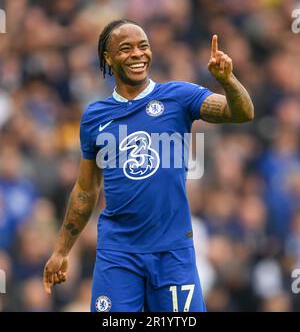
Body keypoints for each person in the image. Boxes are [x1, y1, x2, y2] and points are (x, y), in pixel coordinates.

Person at [43, 19, 254, 312]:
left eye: (143, 46)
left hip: (172, 252)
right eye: (126, 48)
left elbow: (242, 113)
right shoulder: (95, 116)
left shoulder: (179, 97)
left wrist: (228, 80)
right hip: (119, 254)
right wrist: (61, 250)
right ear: (108, 58)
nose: (138, 54)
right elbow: (85, 189)